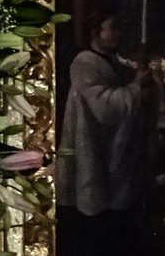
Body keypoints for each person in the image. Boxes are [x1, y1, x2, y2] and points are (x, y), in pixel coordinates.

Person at [57, 12, 154, 218]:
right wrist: (136, 86)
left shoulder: (115, 62)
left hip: (110, 147)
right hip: (92, 144)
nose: (118, 33)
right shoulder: (84, 63)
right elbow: (105, 106)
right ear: (96, 33)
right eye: (112, 28)